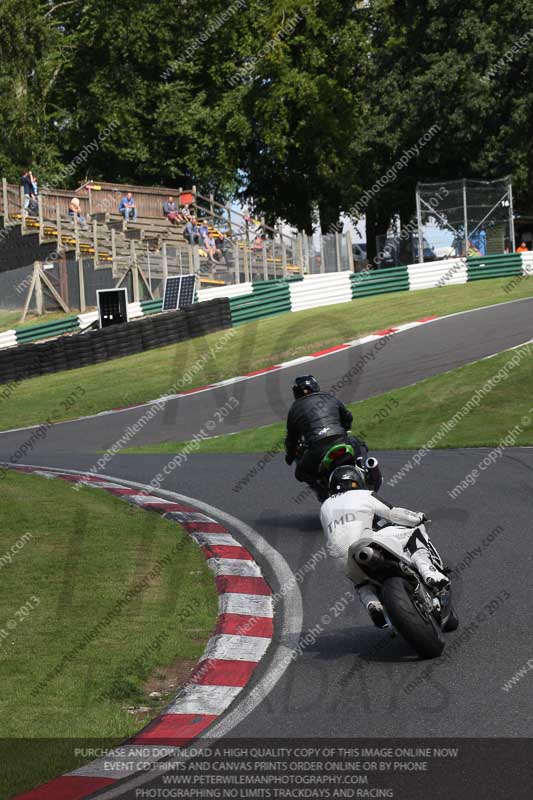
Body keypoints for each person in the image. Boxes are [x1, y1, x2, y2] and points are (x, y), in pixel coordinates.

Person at [320, 465, 450, 628]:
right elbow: (393, 513)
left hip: (341, 558)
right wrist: (418, 518)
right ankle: (428, 572)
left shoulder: (324, 507)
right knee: (414, 532)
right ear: (357, 480)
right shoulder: (364, 494)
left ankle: (372, 605)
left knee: (361, 584)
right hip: (366, 541)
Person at [284, 375, 368, 488]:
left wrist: (289, 457)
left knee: (300, 472)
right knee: (360, 444)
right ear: (315, 386)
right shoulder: (330, 398)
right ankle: (365, 470)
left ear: (296, 392)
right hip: (341, 440)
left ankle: (322, 490)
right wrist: (345, 428)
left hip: (317, 450)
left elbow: (291, 440)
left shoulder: (294, 409)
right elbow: (348, 417)